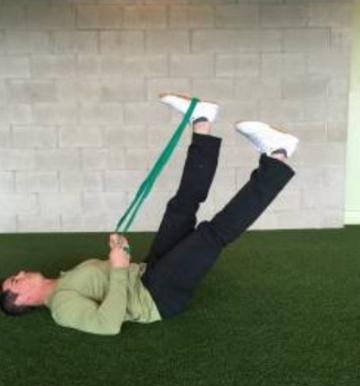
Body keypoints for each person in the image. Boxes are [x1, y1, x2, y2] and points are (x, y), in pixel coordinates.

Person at [0, 93, 299, 335]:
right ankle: (278, 156)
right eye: (16, 281)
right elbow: (108, 324)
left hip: (147, 273)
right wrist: (118, 268)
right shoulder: (62, 309)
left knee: (180, 207)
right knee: (212, 234)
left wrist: (120, 252)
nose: (21, 273)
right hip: (157, 297)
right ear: (23, 300)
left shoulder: (64, 279)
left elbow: (112, 281)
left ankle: (202, 121)